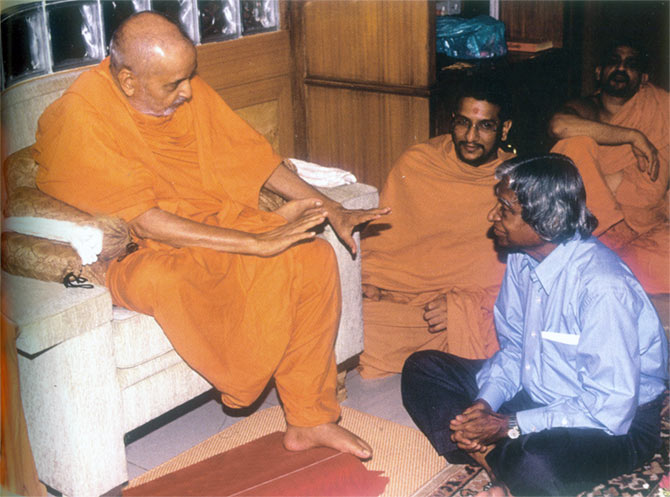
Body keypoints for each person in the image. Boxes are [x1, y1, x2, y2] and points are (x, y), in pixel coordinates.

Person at [33, 11, 391, 458]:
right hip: (139, 251)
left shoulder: (181, 91)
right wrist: (257, 243)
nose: (188, 92)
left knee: (309, 256)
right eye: (174, 84)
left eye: (189, 77)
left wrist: (332, 206)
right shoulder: (80, 116)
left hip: (209, 223)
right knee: (177, 281)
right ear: (127, 81)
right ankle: (246, 377)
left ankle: (311, 418)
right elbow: (144, 221)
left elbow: (251, 158)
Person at [402, 154, 668, 496]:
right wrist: (484, 405)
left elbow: (610, 406)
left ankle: (509, 464)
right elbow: (515, 350)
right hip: (538, 392)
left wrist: (510, 424)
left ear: (547, 220)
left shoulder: (603, 287)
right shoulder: (520, 258)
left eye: (505, 208)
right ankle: (499, 462)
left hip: (616, 421)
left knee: (538, 462)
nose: (491, 216)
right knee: (423, 369)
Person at [359, 78, 515, 378]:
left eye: (485, 126)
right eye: (462, 123)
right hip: (403, 299)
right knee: (343, 314)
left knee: (493, 330)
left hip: (464, 305)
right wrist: (370, 280)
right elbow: (384, 241)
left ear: (504, 129)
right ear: (451, 121)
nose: (470, 137)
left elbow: (520, 276)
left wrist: (460, 308)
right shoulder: (419, 162)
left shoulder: (515, 181)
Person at [549, 39, 669, 295]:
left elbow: (653, 187)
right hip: (590, 230)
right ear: (599, 71)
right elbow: (560, 125)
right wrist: (633, 136)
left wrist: (604, 181)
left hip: (643, 228)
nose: (621, 69)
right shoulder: (586, 108)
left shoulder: (660, 109)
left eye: (631, 64)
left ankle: (604, 271)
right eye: (614, 61)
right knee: (573, 145)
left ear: (644, 77)